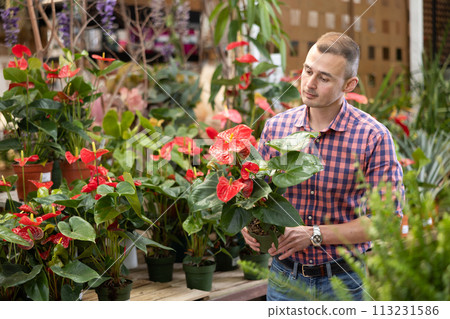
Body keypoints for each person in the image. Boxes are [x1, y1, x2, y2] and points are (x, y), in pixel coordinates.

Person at [241, 32, 404, 301]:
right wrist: (249, 227)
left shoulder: (373, 137)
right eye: (307, 71)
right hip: (284, 279)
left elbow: (388, 221)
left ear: (349, 85)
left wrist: (314, 235)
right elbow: (258, 195)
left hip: (343, 284)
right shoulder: (276, 127)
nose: (309, 84)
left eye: (324, 77)